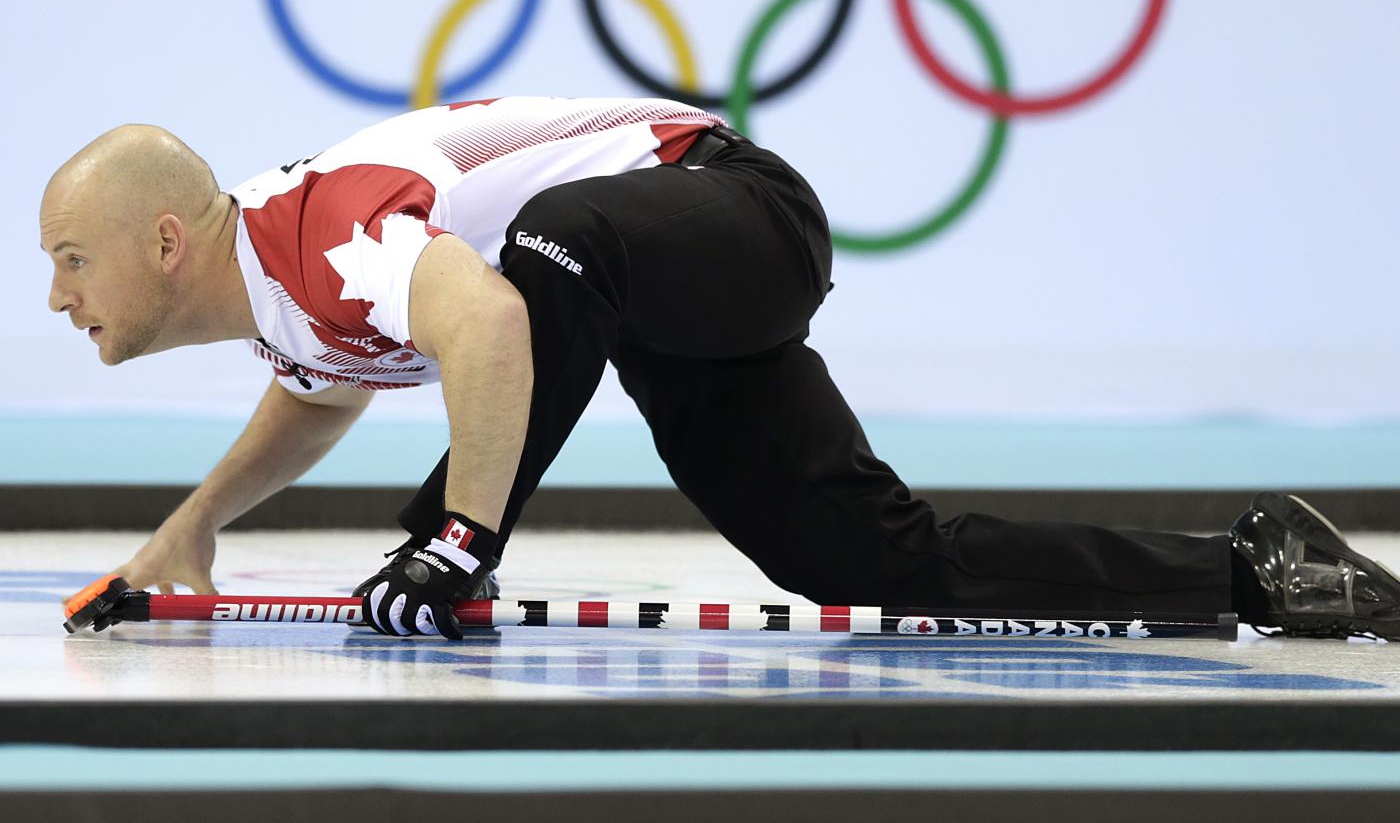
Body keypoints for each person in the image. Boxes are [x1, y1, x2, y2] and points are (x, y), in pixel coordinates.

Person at [42, 97, 1399, 641]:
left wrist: (456, 538)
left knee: (547, 248)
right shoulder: (283, 295)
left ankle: (460, 541)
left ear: (165, 242)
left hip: (736, 211)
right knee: (861, 556)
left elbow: (493, 328)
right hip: (651, 300)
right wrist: (196, 521)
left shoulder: (319, 231)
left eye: (71, 260)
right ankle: (1255, 568)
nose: (57, 296)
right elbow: (318, 389)